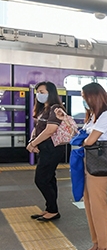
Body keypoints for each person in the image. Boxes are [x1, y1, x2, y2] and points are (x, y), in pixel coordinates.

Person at [75, 83, 107, 250]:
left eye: (84, 97)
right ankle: (96, 244)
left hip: (100, 165)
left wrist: (83, 140)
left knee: (99, 205)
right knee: (89, 204)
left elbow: (90, 140)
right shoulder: (94, 116)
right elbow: (81, 135)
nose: (83, 101)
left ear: (94, 97)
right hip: (90, 163)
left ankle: (104, 249)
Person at [27, 81, 66, 221]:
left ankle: (53, 210)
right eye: (38, 92)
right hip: (45, 148)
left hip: (52, 148)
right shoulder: (44, 109)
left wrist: (33, 143)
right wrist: (32, 141)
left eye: (42, 92)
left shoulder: (56, 109)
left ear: (51, 93)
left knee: (41, 179)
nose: (39, 95)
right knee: (49, 178)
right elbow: (37, 128)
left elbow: (50, 130)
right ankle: (51, 208)